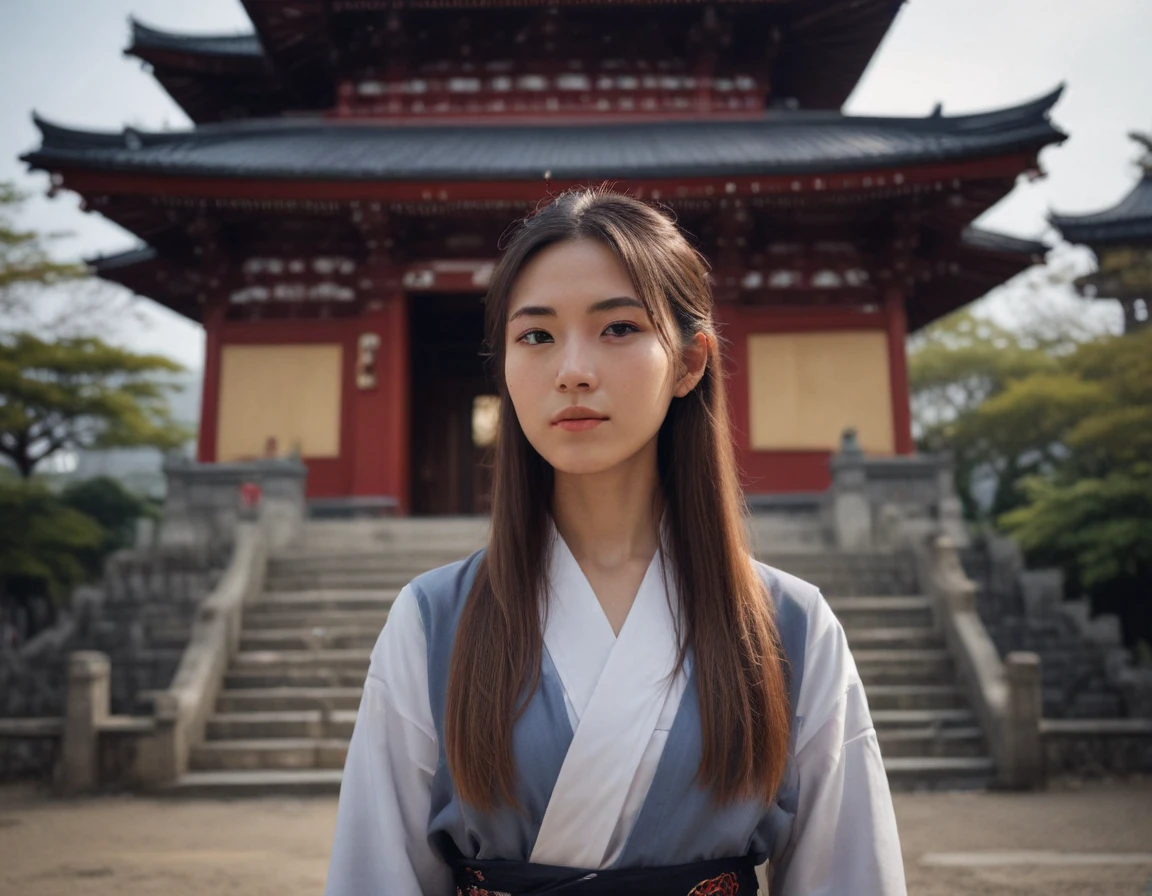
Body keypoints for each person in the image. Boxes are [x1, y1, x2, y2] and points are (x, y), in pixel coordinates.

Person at [323, 188, 907, 895]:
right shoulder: (431, 621)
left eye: (619, 328)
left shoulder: (790, 625)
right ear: (504, 369)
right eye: (535, 336)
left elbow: (849, 877)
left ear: (690, 364)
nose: (572, 369)